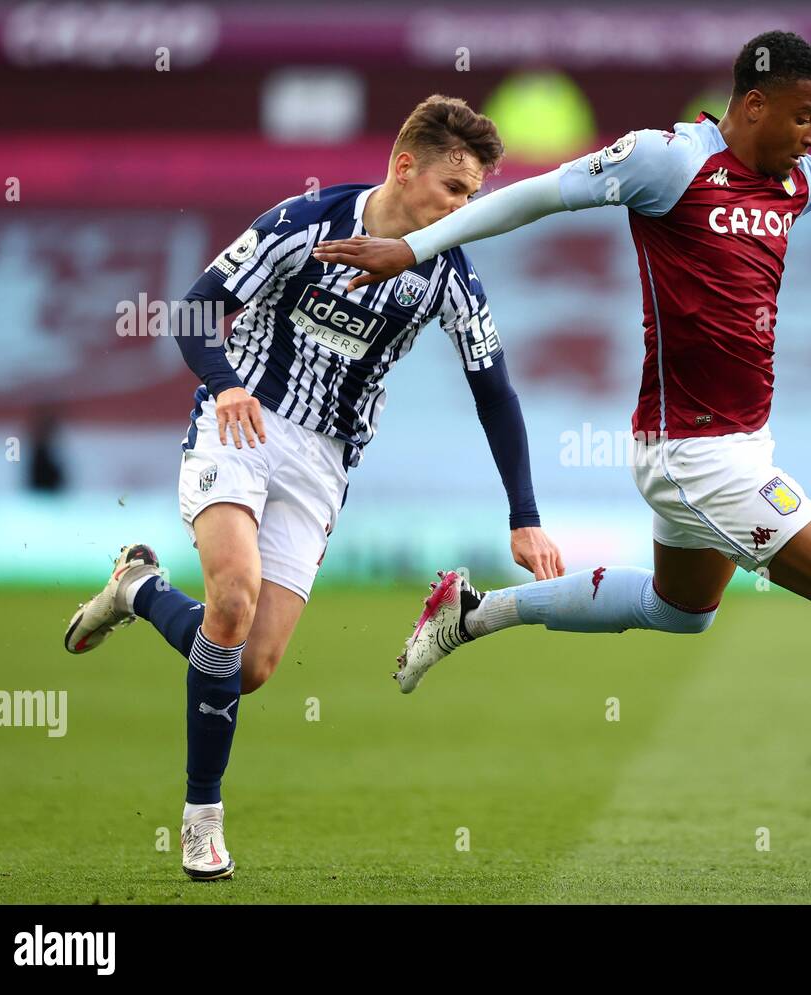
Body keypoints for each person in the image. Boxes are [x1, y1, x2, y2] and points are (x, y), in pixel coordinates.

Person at [312, 33, 811, 846]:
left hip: (733, 448)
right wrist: (414, 246)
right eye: (804, 117)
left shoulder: (794, 183)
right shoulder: (668, 162)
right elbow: (545, 194)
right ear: (755, 105)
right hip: (696, 454)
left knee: (681, 609)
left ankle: (474, 612)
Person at [63, 95, 565, 880]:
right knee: (232, 597)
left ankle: (138, 588)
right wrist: (226, 383)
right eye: (456, 191)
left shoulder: (449, 270)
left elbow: (494, 388)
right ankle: (202, 819)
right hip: (243, 424)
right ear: (405, 168)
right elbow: (196, 309)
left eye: (474, 196)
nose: (466, 209)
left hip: (324, 462)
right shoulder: (306, 221)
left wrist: (525, 515)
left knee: (252, 663)